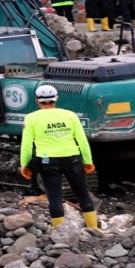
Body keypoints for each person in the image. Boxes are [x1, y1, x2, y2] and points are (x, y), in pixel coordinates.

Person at [19, 84, 99, 230]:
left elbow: (26, 145)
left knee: (54, 196)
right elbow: (82, 141)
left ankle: (59, 232)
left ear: (37, 100)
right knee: (82, 193)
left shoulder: (31, 118)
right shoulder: (70, 115)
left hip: (47, 161)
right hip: (72, 159)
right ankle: (94, 228)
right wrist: (88, 161)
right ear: (56, 99)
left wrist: (24, 164)